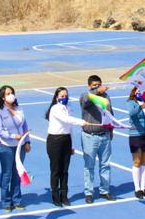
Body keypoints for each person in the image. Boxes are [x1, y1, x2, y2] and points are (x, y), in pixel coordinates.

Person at [44, 87, 87, 207]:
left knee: (65, 170)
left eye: (66, 96)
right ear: (57, 97)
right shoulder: (55, 108)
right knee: (56, 170)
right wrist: (81, 121)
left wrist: (72, 145)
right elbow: (66, 120)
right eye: (62, 96)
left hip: (66, 140)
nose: (64, 98)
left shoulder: (68, 108)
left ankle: (64, 195)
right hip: (55, 140)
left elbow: (69, 128)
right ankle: (55, 196)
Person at [79, 74, 116, 203]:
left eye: (99, 84)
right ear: (89, 86)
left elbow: (110, 113)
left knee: (105, 164)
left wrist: (111, 130)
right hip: (90, 136)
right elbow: (87, 101)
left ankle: (104, 190)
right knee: (89, 165)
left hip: (104, 135)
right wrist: (97, 91)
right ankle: (89, 193)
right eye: (94, 85)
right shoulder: (86, 96)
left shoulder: (106, 97)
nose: (97, 87)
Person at [0, 84, 30, 212]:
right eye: (8, 94)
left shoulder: (19, 108)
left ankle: (17, 200)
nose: (11, 95)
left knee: (17, 173)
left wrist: (27, 141)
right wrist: (13, 136)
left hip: (20, 147)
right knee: (7, 174)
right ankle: (6, 202)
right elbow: (0, 131)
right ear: (3, 97)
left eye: (12, 93)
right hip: (6, 147)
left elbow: (24, 126)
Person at [126, 86, 145, 199]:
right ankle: (137, 188)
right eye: (138, 90)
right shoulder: (131, 102)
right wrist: (140, 106)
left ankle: (143, 188)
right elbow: (132, 113)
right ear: (134, 91)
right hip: (136, 135)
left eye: (142, 90)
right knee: (137, 162)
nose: (140, 92)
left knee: (144, 162)